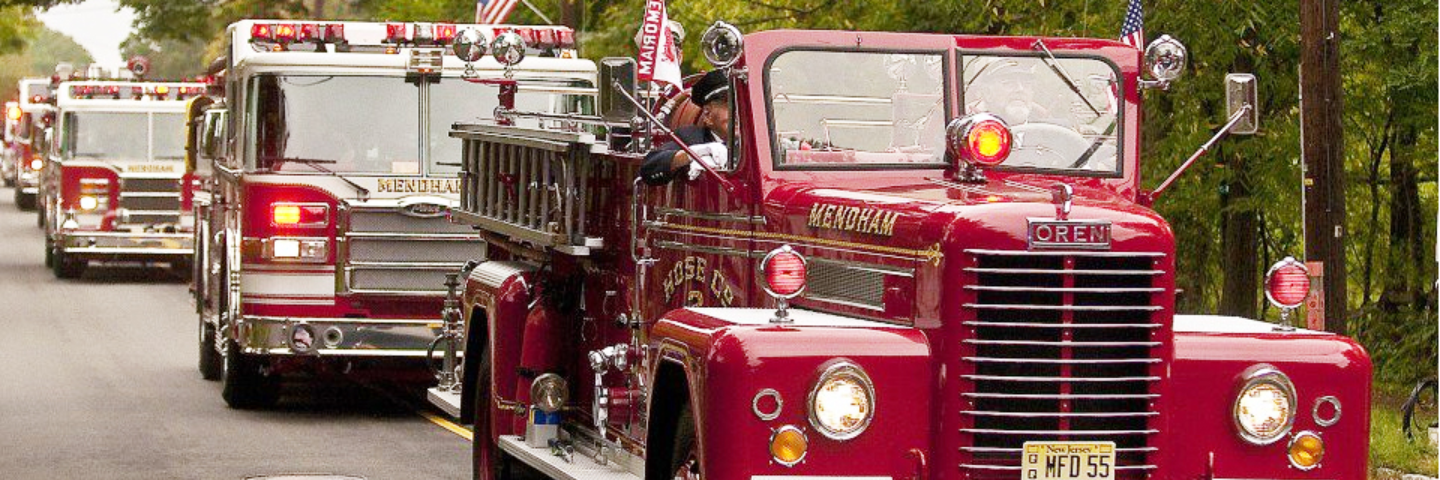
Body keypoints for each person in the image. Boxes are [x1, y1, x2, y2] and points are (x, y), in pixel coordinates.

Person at [640, 70, 731, 186]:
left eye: (743, 106)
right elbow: (649, 167)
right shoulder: (690, 138)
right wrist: (693, 154)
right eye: (730, 106)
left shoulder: (758, 141)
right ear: (707, 115)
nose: (739, 113)